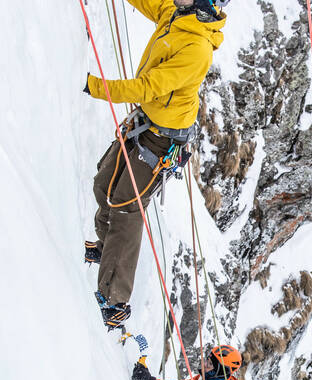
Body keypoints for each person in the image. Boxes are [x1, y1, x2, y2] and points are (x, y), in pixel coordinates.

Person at [83, 0, 228, 329]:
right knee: (103, 184)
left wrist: (95, 86)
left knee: (126, 207)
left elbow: (149, 86)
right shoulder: (176, 14)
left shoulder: (198, 48)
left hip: (161, 140)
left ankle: (115, 299)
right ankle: (106, 250)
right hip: (147, 122)